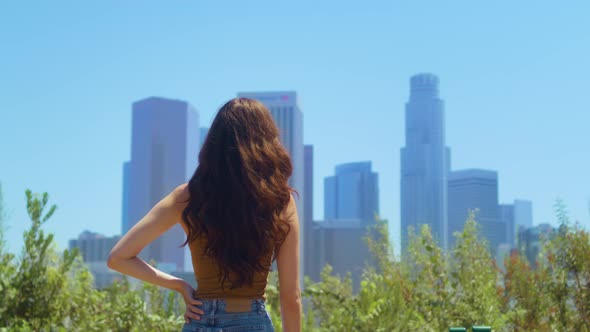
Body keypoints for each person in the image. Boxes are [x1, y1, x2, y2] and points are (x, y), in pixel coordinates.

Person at [108, 98, 302, 332]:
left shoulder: (188, 196)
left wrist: (179, 285)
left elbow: (118, 257)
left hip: (198, 321)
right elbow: (291, 297)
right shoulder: (279, 201)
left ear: (214, 144)